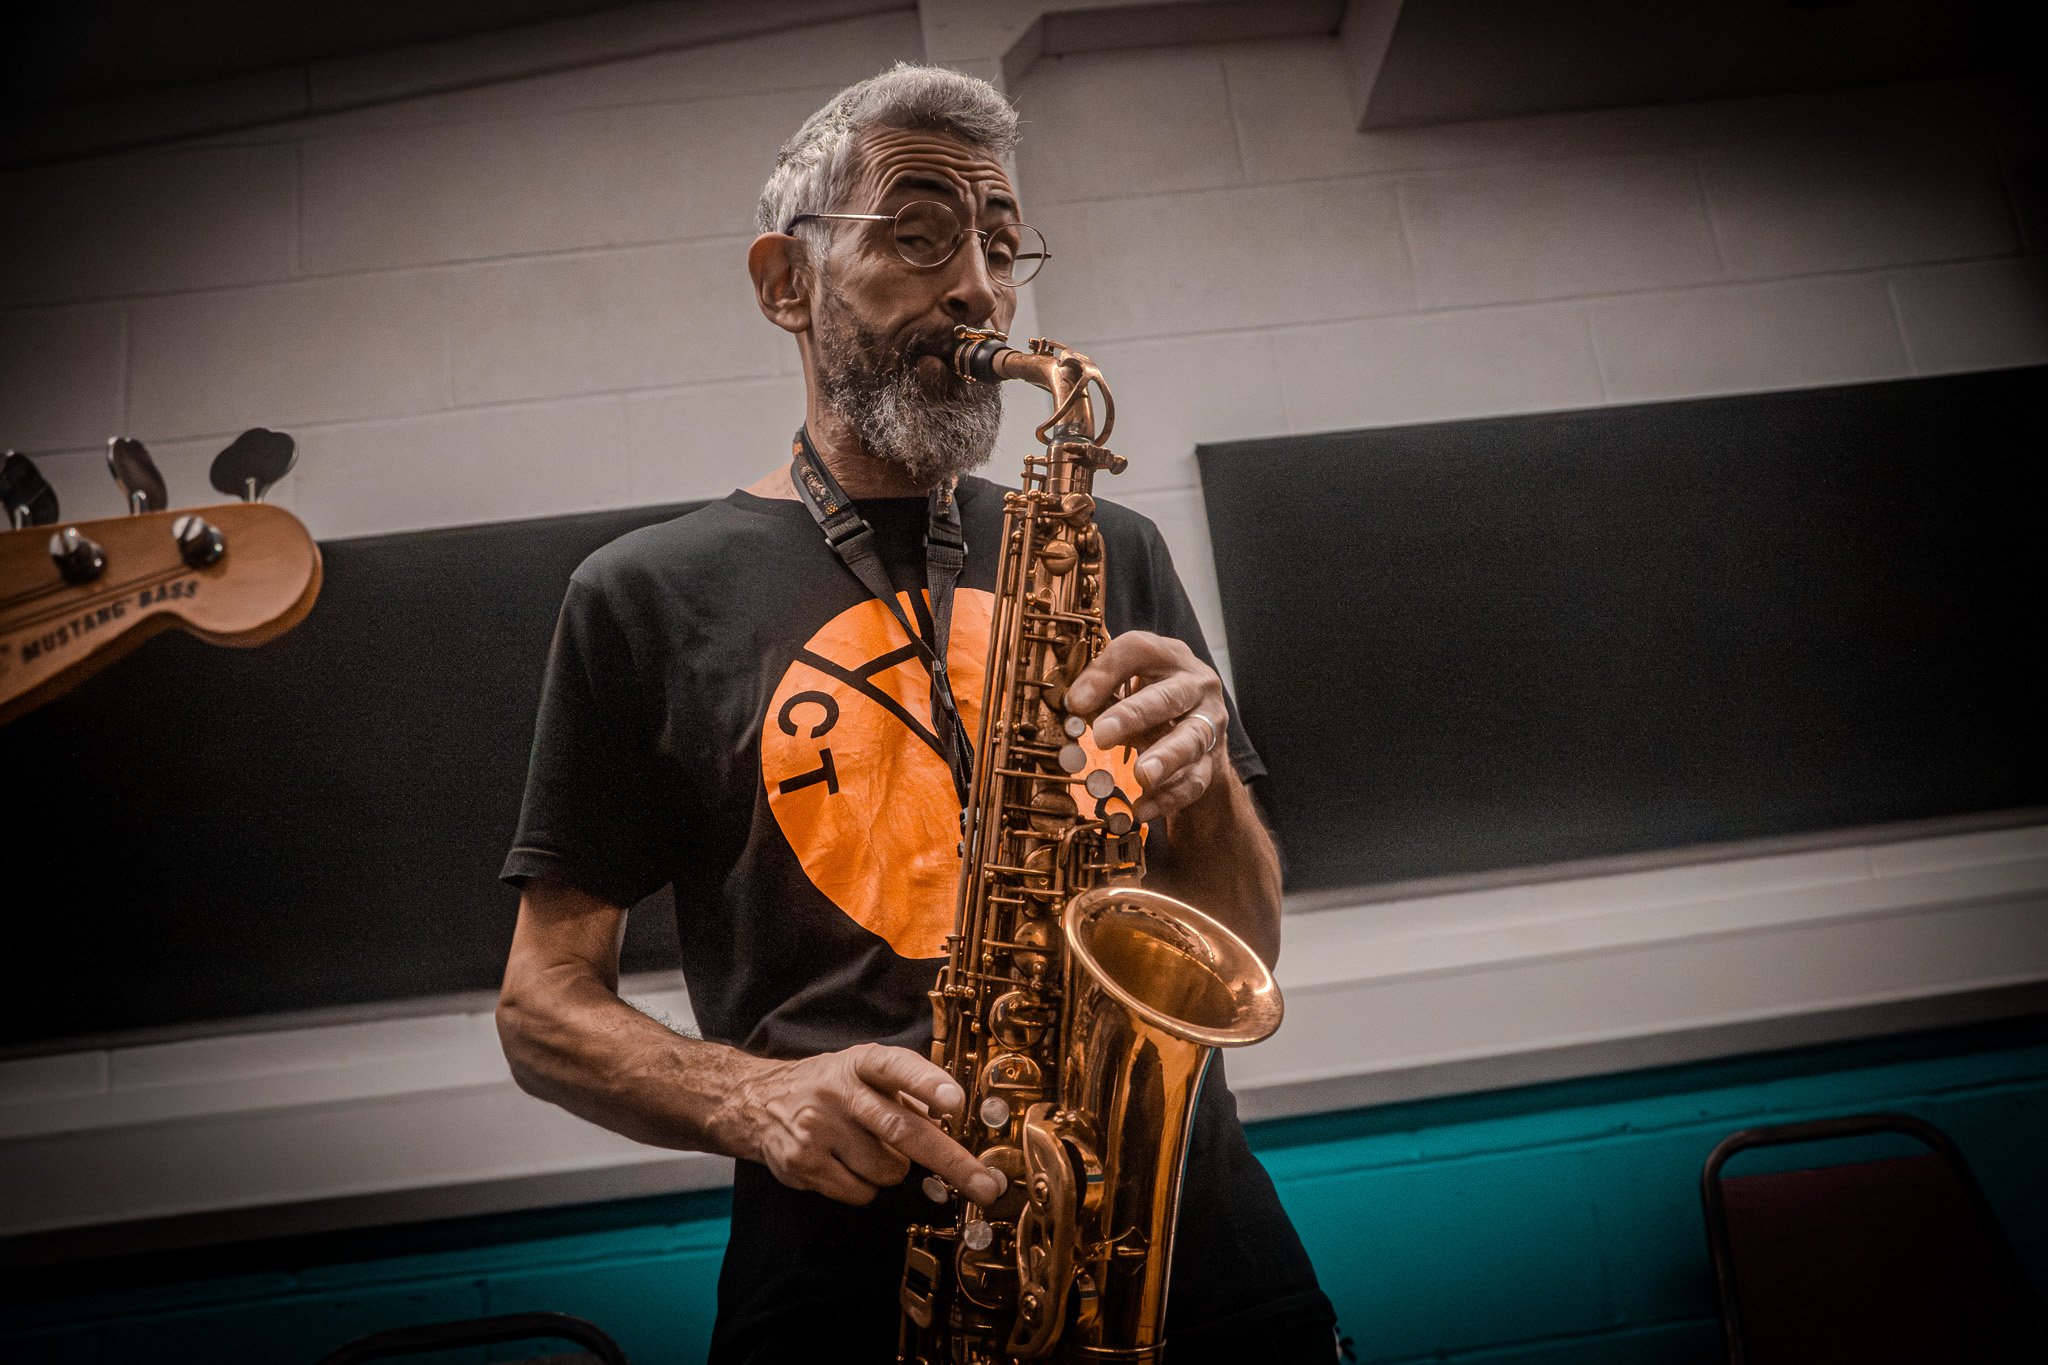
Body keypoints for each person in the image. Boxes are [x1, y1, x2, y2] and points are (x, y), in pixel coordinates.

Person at [497, 63, 1337, 1363]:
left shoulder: (1113, 546)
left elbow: (1241, 947)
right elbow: (541, 1006)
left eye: (1002, 246)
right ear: (786, 283)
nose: (981, 290)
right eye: (921, 234)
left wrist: (1207, 786)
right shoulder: (638, 597)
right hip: (850, 1300)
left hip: (1194, 1270)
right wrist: (754, 1095)